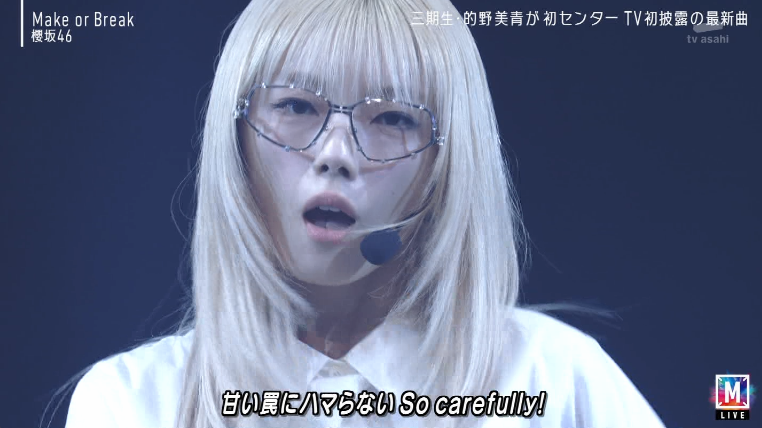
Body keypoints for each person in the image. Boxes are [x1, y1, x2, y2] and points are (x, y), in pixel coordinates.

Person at [63, 0, 666, 427]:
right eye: (295, 106)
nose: (336, 154)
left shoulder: (554, 381)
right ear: (235, 138)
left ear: (449, 162)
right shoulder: (134, 405)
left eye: (392, 118)